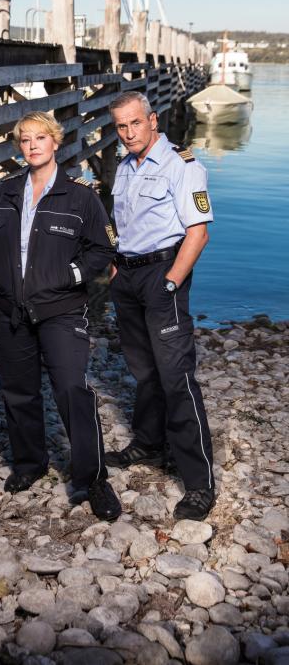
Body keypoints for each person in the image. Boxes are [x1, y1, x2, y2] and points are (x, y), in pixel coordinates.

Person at [0, 111, 122, 521]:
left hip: (61, 309)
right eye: (25, 140)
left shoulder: (80, 196)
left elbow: (103, 248)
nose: (32, 146)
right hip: (10, 308)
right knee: (18, 390)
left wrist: (69, 276)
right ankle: (30, 464)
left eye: (40, 138)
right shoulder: (6, 192)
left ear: (55, 142)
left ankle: (94, 479)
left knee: (72, 390)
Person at [106, 91, 215, 521]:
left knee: (176, 377)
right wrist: (116, 268)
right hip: (128, 276)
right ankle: (149, 444)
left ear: (152, 121)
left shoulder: (181, 165)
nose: (129, 132)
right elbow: (120, 224)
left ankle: (200, 483)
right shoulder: (125, 167)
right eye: (121, 126)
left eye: (135, 123)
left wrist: (171, 281)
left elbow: (198, 232)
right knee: (144, 370)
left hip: (162, 275)